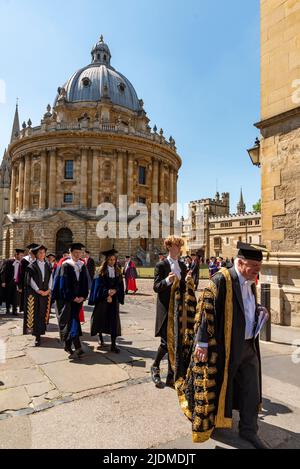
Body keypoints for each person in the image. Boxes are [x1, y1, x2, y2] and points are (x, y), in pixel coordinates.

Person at [177, 242, 269, 449]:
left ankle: (249, 431)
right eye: (254, 266)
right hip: (224, 346)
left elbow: (246, 307)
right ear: (240, 262)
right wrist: (201, 343)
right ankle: (214, 421)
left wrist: (259, 310)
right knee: (218, 386)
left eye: (259, 266)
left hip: (248, 346)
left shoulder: (250, 280)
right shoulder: (221, 280)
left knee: (251, 390)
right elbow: (205, 309)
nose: (257, 271)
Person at [151, 235, 197, 389]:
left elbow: (184, 289)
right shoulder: (161, 265)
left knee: (176, 342)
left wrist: (188, 281)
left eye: (180, 246)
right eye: (176, 245)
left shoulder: (183, 266)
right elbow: (156, 287)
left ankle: (171, 376)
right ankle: (155, 366)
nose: (178, 248)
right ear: (169, 247)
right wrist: (166, 281)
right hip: (165, 309)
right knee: (166, 342)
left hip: (179, 310)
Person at [52, 243, 89, 359]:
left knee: (73, 321)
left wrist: (83, 296)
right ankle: (77, 347)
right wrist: (72, 297)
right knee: (71, 322)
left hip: (78, 300)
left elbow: (85, 283)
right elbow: (63, 285)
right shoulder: (65, 265)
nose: (78, 255)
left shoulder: (82, 265)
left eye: (79, 252)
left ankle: (69, 346)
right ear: (71, 253)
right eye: (75, 253)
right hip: (67, 300)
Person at [89, 249, 124, 353]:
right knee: (101, 318)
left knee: (114, 321)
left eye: (113, 260)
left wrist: (115, 291)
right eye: (110, 260)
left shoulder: (118, 271)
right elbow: (97, 285)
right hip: (102, 299)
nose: (112, 262)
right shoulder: (100, 271)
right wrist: (107, 293)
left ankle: (113, 344)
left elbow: (120, 285)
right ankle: (100, 336)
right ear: (106, 260)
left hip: (114, 299)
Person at [23, 245, 52, 346]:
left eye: (43, 252)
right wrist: (38, 290)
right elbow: (29, 280)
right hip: (35, 293)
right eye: (40, 252)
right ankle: (37, 336)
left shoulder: (48, 265)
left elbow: (51, 277)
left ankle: (41, 332)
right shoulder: (31, 266)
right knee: (35, 313)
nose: (42, 254)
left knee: (42, 313)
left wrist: (49, 289)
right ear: (36, 254)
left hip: (45, 292)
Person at [0, 249, 25, 315]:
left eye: (23, 255)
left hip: (17, 282)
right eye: (21, 255)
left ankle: (15, 310)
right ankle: (7, 308)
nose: (22, 257)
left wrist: (20, 285)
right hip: (9, 282)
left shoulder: (21, 263)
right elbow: (3, 271)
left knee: (16, 296)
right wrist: (3, 281)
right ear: (16, 255)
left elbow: (21, 275)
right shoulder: (9, 261)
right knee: (8, 295)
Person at [17, 244, 39, 313]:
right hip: (25, 283)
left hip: (37, 283)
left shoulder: (39, 260)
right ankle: (26, 311)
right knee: (25, 298)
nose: (31, 253)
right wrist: (19, 285)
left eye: (33, 251)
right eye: (30, 251)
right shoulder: (24, 260)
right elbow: (20, 273)